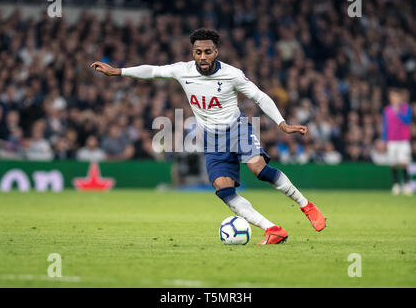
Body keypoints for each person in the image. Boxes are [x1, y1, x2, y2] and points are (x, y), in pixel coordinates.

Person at [91, 28, 326, 245]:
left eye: (207, 52)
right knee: (224, 190)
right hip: (212, 139)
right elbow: (152, 71)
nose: (202, 57)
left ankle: (306, 206)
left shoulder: (232, 74)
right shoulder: (183, 70)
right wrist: (117, 71)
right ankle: (272, 229)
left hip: (237, 129)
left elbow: (260, 97)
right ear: (192, 52)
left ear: (216, 52)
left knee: (260, 171)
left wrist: (282, 124)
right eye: (198, 52)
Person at [382, 89, 413, 195]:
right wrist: (384, 140)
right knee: (394, 163)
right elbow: (385, 126)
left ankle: (407, 185)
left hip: (403, 140)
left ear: (400, 98)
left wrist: (398, 112)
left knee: (404, 163)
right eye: (392, 97)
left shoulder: (406, 108)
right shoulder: (387, 110)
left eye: (396, 97)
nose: (394, 99)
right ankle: (396, 185)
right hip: (392, 140)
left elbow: (407, 120)